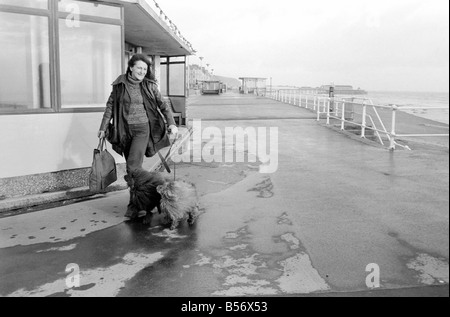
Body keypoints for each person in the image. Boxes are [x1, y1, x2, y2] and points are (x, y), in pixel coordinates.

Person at [98, 54, 178, 175]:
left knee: (133, 166)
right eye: (139, 68)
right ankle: (139, 191)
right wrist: (103, 128)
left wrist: (171, 123)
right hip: (124, 130)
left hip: (142, 130)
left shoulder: (149, 85)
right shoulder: (119, 85)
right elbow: (110, 107)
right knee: (132, 166)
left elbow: (163, 105)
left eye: (145, 69)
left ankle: (140, 192)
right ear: (131, 67)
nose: (142, 72)